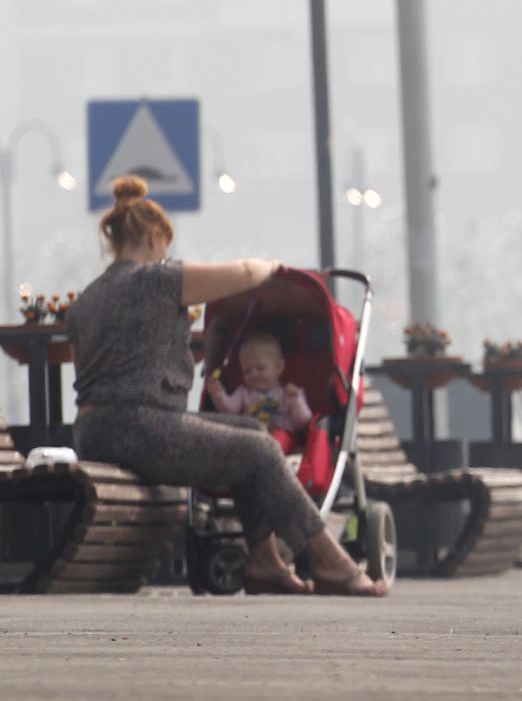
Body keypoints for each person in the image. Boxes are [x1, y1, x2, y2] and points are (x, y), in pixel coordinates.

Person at [69, 176, 388, 597]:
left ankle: (265, 561)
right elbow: (241, 273)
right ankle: (331, 562)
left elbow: (114, 364)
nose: (168, 256)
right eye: (166, 247)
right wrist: (271, 268)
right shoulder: (156, 279)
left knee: (253, 434)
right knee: (260, 450)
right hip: (140, 427)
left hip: (95, 429)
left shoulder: (87, 298)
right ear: (153, 237)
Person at [208, 333, 313, 454]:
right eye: (247, 371)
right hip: (252, 437)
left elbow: (303, 421)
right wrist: (218, 393)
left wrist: (297, 401)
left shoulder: (288, 393)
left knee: (280, 438)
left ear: (279, 367)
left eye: (260, 368)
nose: (254, 374)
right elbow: (229, 409)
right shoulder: (244, 393)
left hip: (283, 440)